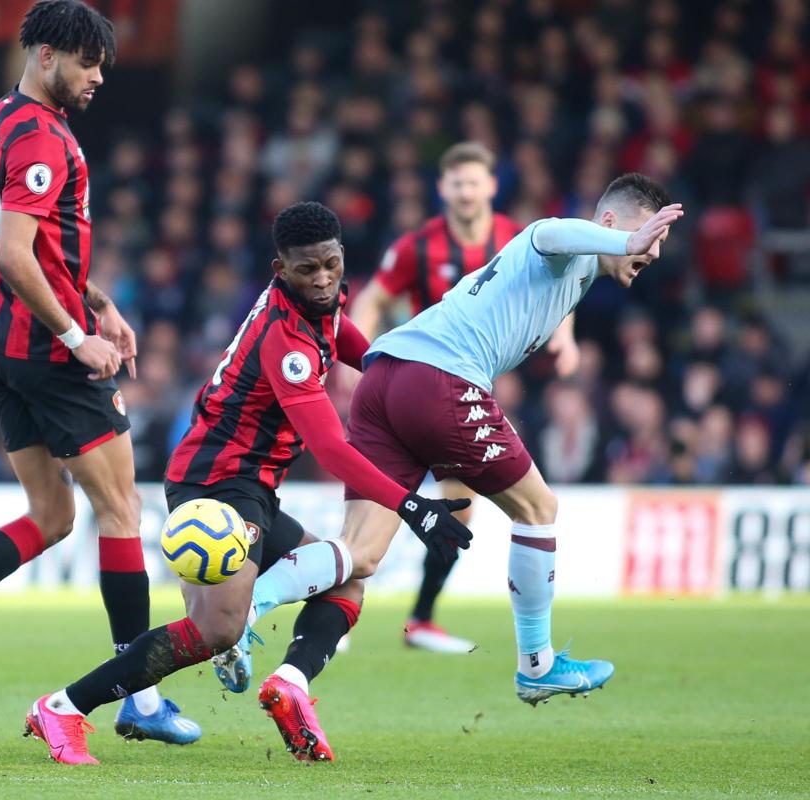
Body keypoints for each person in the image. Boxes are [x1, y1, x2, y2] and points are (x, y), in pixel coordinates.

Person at [244, 174, 682, 760]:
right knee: (538, 508)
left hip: (385, 377)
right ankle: (537, 664)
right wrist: (625, 245)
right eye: (644, 237)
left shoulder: (578, 272)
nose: (651, 252)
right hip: (439, 380)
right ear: (607, 226)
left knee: (361, 553)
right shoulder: (561, 242)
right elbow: (548, 232)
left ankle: (246, 613)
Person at [24, 201, 473, 765]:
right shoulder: (286, 338)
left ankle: (290, 684)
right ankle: (62, 708)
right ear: (280, 271)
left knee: (349, 577)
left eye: (331, 263)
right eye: (308, 269)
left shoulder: (323, 307)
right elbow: (333, 447)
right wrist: (412, 505)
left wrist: (441, 389)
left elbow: (382, 362)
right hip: (217, 484)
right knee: (217, 629)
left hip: (252, 486)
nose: (324, 277)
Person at [0, 0, 199, 746]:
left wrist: (100, 301)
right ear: (48, 56)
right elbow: (13, 255)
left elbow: (39, 247)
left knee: (54, 516)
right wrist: (77, 335)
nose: (97, 79)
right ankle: (139, 695)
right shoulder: (45, 142)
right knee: (122, 512)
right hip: (43, 350)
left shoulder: (4, 117)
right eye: (88, 63)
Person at [348, 141, 537, 653]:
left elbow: (552, 288)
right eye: (457, 183)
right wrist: (358, 361)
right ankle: (335, 611)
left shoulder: (514, 241)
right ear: (443, 190)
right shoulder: (418, 246)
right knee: (374, 506)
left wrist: (561, 338)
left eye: (475, 181)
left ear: (492, 187)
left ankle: (421, 621)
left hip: (464, 391)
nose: (466, 191)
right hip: (414, 387)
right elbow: (372, 298)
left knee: (460, 507)